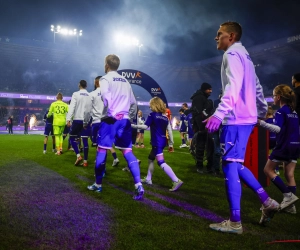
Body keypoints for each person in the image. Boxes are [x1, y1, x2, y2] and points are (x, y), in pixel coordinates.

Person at [205, 21, 279, 234]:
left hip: (235, 118)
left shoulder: (231, 54)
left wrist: (219, 113)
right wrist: (261, 112)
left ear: (231, 36)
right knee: (235, 163)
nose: (216, 38)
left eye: (219, 34)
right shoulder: (246, 56)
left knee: (229, 165)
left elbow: (233, 85)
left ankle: (235, 222)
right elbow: (257, 87)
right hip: (245, 118)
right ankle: (267, 201)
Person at [87, 54, 144, 200]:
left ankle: (98, 185)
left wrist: (113, 112)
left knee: (101, 150)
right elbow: (133, 102)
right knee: (127, 152)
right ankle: (138, 185)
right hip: (124, 121)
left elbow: (106, 96)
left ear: (106, 65)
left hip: (111, 120)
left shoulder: (105, 79)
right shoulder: (125, 81)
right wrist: (128, 117)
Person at [258, 84, 299, 214]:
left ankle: (288, 196)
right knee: (289, 174)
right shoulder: (294, 111)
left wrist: (261, 123)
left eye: (274, 96)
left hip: (284, 146)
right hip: (295, 145)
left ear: (279, 97)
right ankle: (291, 207)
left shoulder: (281, 111)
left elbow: (277, 129)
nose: (273, 98)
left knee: (267, 170)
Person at [133, 97, 183, 191]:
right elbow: (170, 131)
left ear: (154, 105)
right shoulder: (165, 117)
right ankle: (148, 179)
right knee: (150, 158)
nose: (149, 106)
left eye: (150, 104)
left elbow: (145, 126)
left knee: (161, 162)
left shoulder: (152, 115)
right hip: (163, 141)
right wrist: (171, 144)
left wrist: (133, 126)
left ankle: (176, 180)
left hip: (157, 141)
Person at [90, 76, 120, 167]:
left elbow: (89, 109)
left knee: (98, 144)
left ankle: (99, 162)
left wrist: (87, 121)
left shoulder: (92, 94)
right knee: (106, 142)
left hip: (96, 121)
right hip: (107, 121)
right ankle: (115, 158)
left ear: (95, 83)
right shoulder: (109, 93)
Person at [186, 82, 214, 173]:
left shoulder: (202, 98)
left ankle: (207, 166)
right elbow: (198, 114)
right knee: (201, 146)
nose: (211, 91)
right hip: (201, 127)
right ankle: (200, 166)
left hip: (204, 126)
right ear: (204, 89)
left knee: (208, 146)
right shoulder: (199, 98)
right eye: (209, 89)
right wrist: (201, 128)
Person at [67, 80, 92, 166]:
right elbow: (90, 110)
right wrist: (88, 120)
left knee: (72, 138)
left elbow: (72, 107)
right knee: (85, 140)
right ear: (86, 86)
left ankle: (78, 156)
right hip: (86, 120)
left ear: (79, 85)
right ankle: (85, 162)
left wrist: (68, 119)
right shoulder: (90, 95)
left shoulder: (76, 94)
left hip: (77, 119)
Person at [265, 106, 280, 175]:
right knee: (275, 155)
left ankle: (266, 166)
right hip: (276, 140)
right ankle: (276, 169)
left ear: (267, 114)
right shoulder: (276, 120)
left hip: (268, 139)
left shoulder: (266, 121)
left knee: (266, 153)